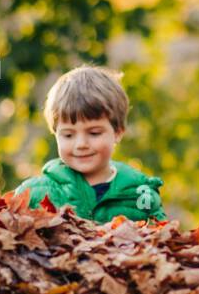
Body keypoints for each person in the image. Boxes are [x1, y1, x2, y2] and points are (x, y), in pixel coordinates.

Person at [15, 65, 166, 222]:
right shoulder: (33, 194)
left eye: (94, 133)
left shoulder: (141, 196)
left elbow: (164, 240)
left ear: (118, 132)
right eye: (68, 135)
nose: (81, 144)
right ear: (56, 135)